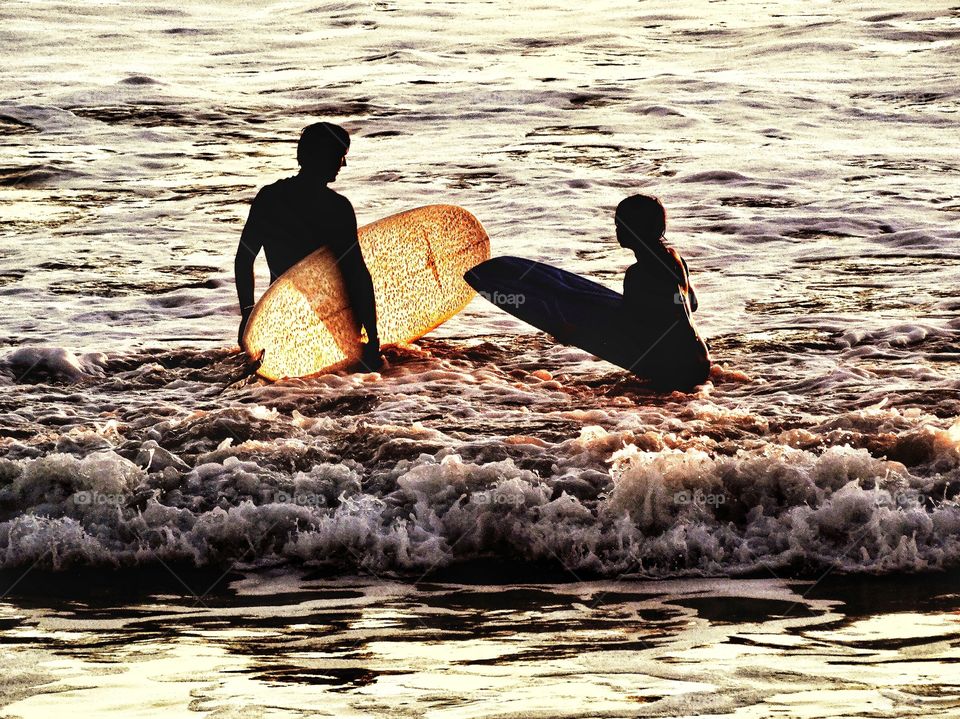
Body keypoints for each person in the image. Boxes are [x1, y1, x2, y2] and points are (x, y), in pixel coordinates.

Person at [234, 122, 382, 371]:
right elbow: (356, 275)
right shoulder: (337, 209)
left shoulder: (270, 198)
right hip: (334, 319)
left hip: (282, 316)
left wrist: (248, 314)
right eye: (339, 156)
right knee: (350, 382)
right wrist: (372, 337)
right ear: (321, 157)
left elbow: (244, 258)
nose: (342, 164)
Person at [614, 194, 710, 389]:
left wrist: (572, 328)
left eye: (620, 225)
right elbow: (691, 302)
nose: (617, 231)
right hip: (700, 359)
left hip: (673, 367)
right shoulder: (676, 260)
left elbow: (626, 324)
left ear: (635, 230)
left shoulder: (637, 274)